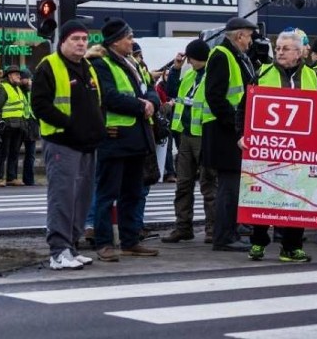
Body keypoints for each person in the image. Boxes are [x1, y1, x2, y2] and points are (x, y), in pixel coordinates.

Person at [32, 20, 104, 269]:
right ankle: (59, 251)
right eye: (75, 39)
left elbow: (96, 103)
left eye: (85, 39)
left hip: (86, 144)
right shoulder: (49, 66)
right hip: (63, 142)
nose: (81, 43)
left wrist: (97, 129)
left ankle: (72, 245)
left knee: (82, 198)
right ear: (62, 42)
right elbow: (39, 105)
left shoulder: (87, 67)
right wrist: (69, 124)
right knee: (63, 197)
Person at [90, 17, 161, 262]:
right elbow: (109, 96)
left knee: (132, 193)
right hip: (115, 138)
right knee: (107, 194)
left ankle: (130, 241)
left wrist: (151, 102)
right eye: (129, 37)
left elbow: (149, 87)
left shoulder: (130, 62)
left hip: (137, 137)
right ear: (116, 41)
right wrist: (142, 106)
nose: (132, 41)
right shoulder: (101, 64)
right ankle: (104, 243)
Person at [247, 30, 317, 262]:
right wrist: (242, 135)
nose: (279, 52)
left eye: (285, 48)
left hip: (301, 147)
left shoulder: (314, 77)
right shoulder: (262, 73)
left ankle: (291, 246)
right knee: (262, 192)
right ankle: (258, 242)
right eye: (277, 47)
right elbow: (244, 107)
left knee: (298, 196)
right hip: (269, 146)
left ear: (299, 53)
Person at [202, 17, 258, 252]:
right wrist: (236, 126)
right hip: (225, 131)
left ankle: (229, 232)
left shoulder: (234, 56)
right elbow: (215, 96)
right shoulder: (221, 55)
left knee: (233, 186)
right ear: (239, 36)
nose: (251, 41)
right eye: (249, 36)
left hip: (228, 130)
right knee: (229, 186)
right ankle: (225, 236)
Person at [162, 39, 217, 244]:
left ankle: (212, 229)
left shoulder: (212, 75)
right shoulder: (190, 75)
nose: (189, 62)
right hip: (186, 136)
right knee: (183, 183)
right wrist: (175, 69)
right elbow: (173, 92)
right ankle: (183, 227)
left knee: (208, 184)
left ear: (197, 57)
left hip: (204, 136)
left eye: (190, 58)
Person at [0, 65, 27, 187]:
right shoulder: (2, 87)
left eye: (19, 74)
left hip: (19, 125)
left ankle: (12, 178)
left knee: (14, 152)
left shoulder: (18, 88)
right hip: (6, 125)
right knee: (3, 152)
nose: (19, 76)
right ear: (10, 75)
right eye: (16, 74)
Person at [19, 68, 39, 186]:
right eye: (26, 79)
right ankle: (13, 178)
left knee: (30, 154)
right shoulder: (17, 89)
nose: (28, 81)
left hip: (32, 124)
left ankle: (29, 179)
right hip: (21, 123)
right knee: (15, 152)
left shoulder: (33, 89)